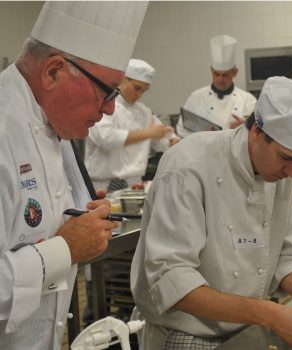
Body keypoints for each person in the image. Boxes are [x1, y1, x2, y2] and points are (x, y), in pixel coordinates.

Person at [131, 76, 292, 350]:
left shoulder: (285, 175)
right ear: (256, 132)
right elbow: (171, 279)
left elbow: (285, 256)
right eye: (287, 158)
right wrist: (270, 314)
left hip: (246, 327)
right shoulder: (188, 166)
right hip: (185, 330)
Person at [0, 2, 148, 349]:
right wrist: (65, 248)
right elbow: (57, 246)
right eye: (107, 90)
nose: (111, 107)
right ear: (53, 72)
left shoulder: (52, 123)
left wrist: (83, 219)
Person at [85, 58, 180, 190]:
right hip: (104, 185)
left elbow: (162, 138)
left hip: (135, 184)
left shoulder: (144, 112)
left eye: (144, 90)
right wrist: (148, 133)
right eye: (137, 88)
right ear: (123, 79)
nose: (139, 94)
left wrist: (172, 142)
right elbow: (106, 138)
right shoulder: (105, 104)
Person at [176, 34, 257, 138]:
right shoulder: (196, 98)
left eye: (225, 75)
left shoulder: (248, 101)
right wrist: (202, 135)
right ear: (211, 70)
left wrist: (245, 127)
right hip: (204, 153)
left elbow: (258, 134)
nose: (220, 79)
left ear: (235, 72)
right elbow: (181, 129)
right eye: (216, 74)